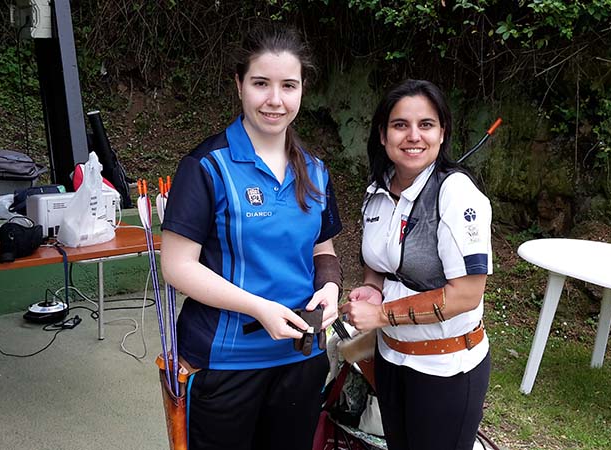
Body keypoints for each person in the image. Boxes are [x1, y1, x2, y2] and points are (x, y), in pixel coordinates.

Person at [160, 24, 342, 450]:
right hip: (227, 362)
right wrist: (259, 308)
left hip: (302, 356)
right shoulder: (206, 166)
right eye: (261, 83)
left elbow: (323, 248)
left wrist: (331, 287)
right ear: (239, 85)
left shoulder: (315, 170)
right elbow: (177, 266)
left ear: (302, 90)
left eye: (288, 85)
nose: (275, 99)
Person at [340, 79, 492, 450]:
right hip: (391, 358)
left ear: (442, 133)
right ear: (383, 135)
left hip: (444, 369)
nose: (413, 136)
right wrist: (372, 287)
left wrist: (380, 315)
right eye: (400, 125)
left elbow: (466, 296)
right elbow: (379, 263)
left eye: (426, 124)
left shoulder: (456, 193)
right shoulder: (377, 190)